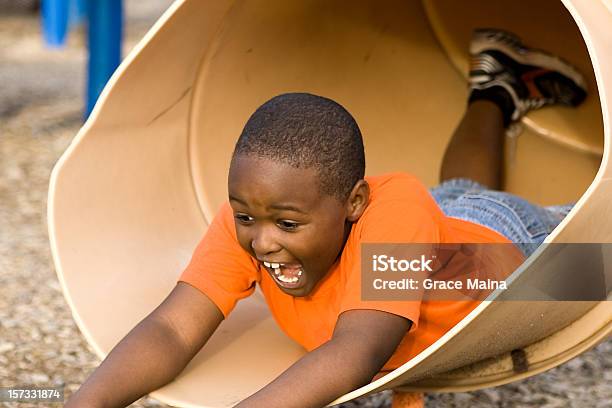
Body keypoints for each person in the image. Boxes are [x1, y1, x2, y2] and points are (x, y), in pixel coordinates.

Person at [65, 29, 586, 408]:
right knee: (456, 193)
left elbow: (356, 352)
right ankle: (497, 87)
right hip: (434, 229)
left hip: (513, 250)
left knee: (595, 270)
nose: (263, 242)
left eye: (287, 224)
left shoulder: (394, 212)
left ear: (353, 204)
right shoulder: (251, 219)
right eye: (247, 216)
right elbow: (171, 331)